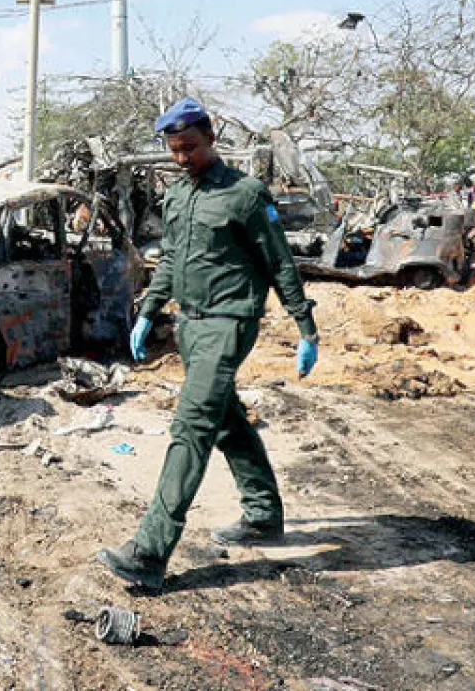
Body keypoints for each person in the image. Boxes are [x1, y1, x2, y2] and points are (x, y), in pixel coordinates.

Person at [94, 98, 320, 594]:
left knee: (191, 425)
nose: (182, 159)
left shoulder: (244, 194)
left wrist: (305, 326)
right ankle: (263, 515)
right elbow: (172, 259)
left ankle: (149, 552)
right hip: (190, 326)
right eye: (174, 151)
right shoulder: (176, 197)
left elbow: (279, 262)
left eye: (190, 148)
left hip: (229, 322)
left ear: (211, 139)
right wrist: (149, 311)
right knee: (223, 417)